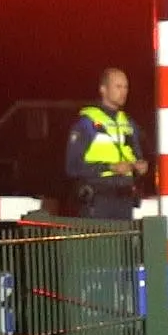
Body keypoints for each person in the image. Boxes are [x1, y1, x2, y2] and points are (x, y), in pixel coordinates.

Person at [65, 67, 146, 220]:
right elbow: (72, 166)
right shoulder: (87, 123)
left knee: (123, 244)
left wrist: (139, 166)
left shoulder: (128, 123)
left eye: (126, 87)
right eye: (118, 86)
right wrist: (111, 167)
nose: (124, 91)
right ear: (103, 89)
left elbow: (137, 155)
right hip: (98, 200)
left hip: (125, 199)